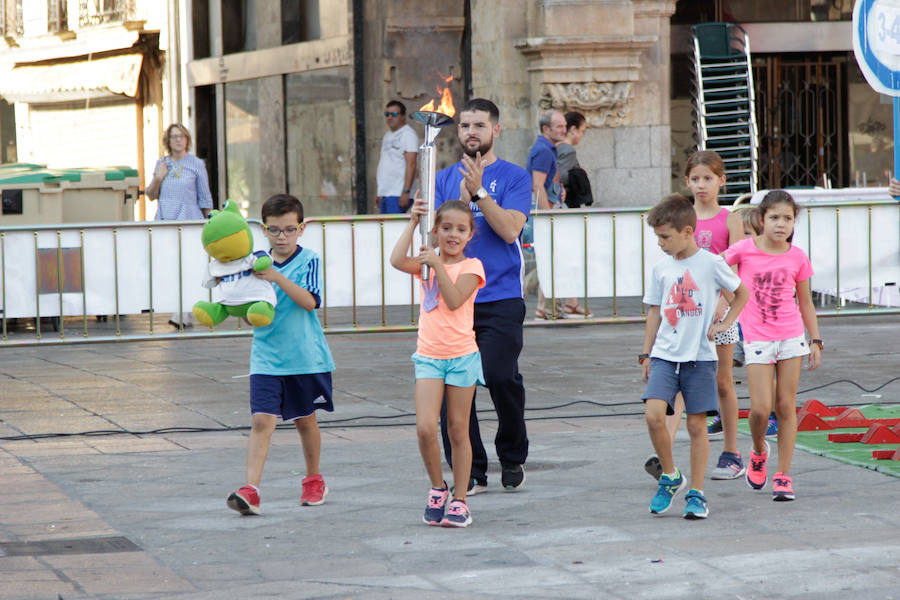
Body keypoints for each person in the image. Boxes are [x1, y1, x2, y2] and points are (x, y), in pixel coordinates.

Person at [423, 97, 531, 493]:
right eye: (465, 125)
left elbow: (509, 231)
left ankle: (513, 453)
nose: (471, 132)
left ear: (495, 131)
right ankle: (473, 471)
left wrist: (479, 191)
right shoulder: (441, 179)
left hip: (499, 296)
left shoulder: (515, 177)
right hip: (452, 300)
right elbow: (435, 233)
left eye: (479, 126)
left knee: (501, 376)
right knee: (456, 385)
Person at [641, 194, 749, 519]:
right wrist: (646, 353)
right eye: (657, 237)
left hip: (700, 358)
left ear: (687, 232)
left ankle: (697, 493)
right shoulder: (661, 268)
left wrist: (727, 322)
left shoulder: (711, 263)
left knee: (697, 426)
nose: (660, 243)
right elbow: (654, 312)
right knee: (653, 415)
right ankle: (671, 476)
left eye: (665, 237)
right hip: (664, 355)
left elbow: (741, 293)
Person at [226, 193, 335, 516]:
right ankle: (251, 489)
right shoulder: (252, 264)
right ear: (263, 229)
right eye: (275, 230)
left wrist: (276, 277)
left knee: (305, 420)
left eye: (289, 230)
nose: (282, 237)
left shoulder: (310, 259)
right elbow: (248, 311)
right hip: (265, 355)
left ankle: (314, 478)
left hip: (305, 356)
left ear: (301, 229)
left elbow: (310, 302)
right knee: (262, 420)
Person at [390, 200, 486, 528]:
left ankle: (460, 499)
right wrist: (412, 221)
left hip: (461, 357)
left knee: (458, 429)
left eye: (461, 229)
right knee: (425, 428)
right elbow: (396, 260)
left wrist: (438, 264)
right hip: (429, 357)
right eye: (446, 228)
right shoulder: (427, 263)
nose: (452, 235)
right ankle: (438, 487)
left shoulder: (473, 267)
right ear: (436, 230)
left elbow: (455, 299)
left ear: (470, 234)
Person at [724, 190, 822, 502]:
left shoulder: (798, 256)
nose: (781, 224)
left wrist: (815, 339)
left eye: (787, 219)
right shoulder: (743, 250)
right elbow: (716, 273)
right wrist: (732, 306)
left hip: (791, 337)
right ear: (761, 219)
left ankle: (783, 474)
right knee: (760, 409)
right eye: (774, 217)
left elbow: (805, 302)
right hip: (757, 339)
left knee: (784, 406)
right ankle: (757, 451)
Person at [146, 123, 215, 328]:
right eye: (174, 136)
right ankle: (181, 309)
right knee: (170, 267)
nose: (178, 140)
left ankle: (184, 312)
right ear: (167, 141)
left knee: (188, 266)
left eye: (182, 136)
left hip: (189, 220)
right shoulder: (162, 163)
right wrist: (159, 177)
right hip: (166, 220)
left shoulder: (196, 164)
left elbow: (205, 196)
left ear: (187, 140)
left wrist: (209, 219)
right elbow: (150, 195)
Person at [527, 110, 590, 318]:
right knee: (554, 259)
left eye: (565, 126)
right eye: (559, 127)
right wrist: (549, 216)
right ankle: (546, 308)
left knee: (555, 259)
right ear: (546, 129)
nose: (564, 130)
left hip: (550, 209)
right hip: (548, 213)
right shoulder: (544, 151)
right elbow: (537, 185)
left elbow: (544, 182)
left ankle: (548, 308)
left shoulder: (548, 149)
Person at [375, 100, 418, 214]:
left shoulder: (408, 134)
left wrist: (406, 192)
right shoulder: (387, 135)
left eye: (394, 114)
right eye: (387, 114)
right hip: (386, 194)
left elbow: (411, 163)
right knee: (385, 230)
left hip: (398, 194)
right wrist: (380, 193)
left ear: (403, 116)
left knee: (394, 230)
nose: (390, 117)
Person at [558, 111, 593, 209]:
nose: (582, 135)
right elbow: (561, 176)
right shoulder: (568, 150)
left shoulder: (557, 146)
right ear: (573, 129)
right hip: (566, 201)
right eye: (582, 131)